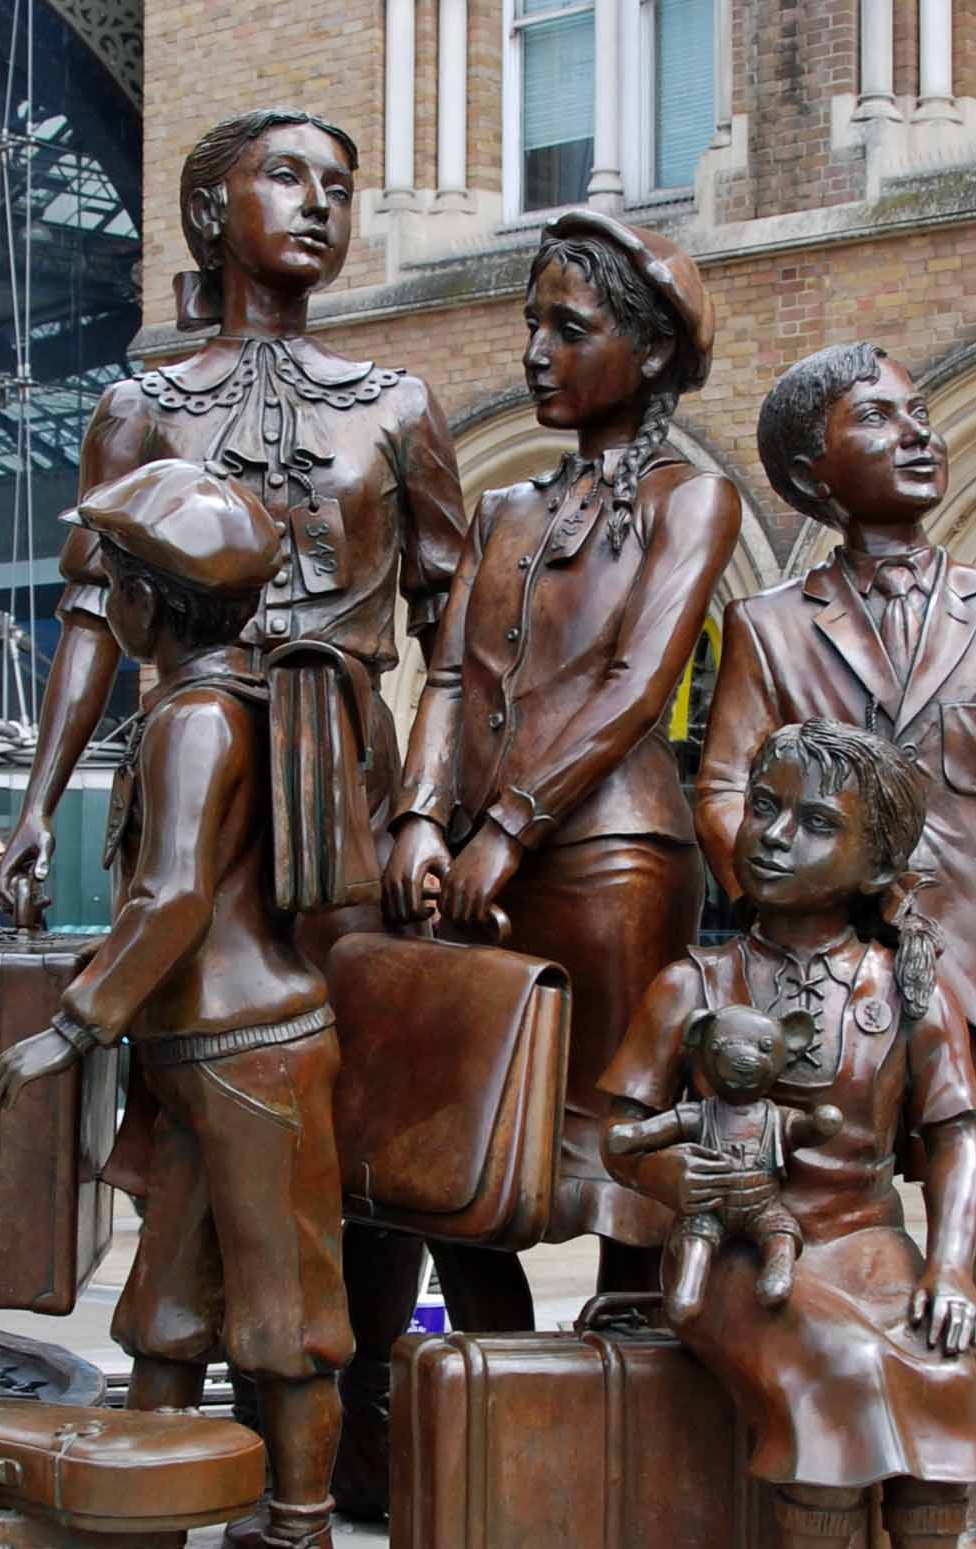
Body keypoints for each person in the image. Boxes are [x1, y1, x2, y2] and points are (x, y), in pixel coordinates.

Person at [0, 107, 468, 1527]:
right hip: (199, 745)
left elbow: (452, 631)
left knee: (342, 1115)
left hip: (346, 766)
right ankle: (189, 1441)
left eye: (341, 184)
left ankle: (348, 1436)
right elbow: (89, 610)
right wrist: (38, 806)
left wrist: (430, 808)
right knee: (192, 1094)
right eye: (285, 179)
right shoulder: (144, 402)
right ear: (208, 215)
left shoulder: (394, 400)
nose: (319, 204)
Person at [694, 341, 976, 1549]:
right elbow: (718, 788)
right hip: (823, 993)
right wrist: (787, 903)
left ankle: (949, 1527)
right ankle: (817, 1489)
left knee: (961, 1270)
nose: (915, 432)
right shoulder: (764, 627)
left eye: (922, 413)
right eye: (878, 419)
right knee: (818, 1243)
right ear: (814, 470)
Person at [0, 458, 353, 1549]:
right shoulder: (212, 701)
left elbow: (176, 895)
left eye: (114, 584)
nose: (105, 603)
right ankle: (146, 1514)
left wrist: (72, 1024)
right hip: (202, 1049)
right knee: (168, 1303)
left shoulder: (197, 717)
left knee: (285, 1316)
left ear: (150, 602)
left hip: (252, 1049)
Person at [602, 719, 976, 1549]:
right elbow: (617, 1132)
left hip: (868, 1239)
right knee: (835, 1360)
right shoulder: (692, 984)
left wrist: (955, 1266)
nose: (773, 835)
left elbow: (959, 1134)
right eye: (766, 806)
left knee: (938, 1357)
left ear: (877, 861)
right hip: (739, 1253)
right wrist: (666, 1166)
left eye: (815, 822)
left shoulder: (905, 986)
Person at [383, 208, 740, 1326]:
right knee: (459, 1127)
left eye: (568, 327)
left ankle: (624, 1374)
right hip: (478, 859)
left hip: (610, 858)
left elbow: (637, 679)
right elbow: (444, 678)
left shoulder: (693, 499)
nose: (536, 350)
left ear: (649, 353)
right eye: (531, 323)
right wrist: (423, 820)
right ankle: (500, 1373)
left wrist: (512, 824)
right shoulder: (503, 509)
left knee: (615, 1141)